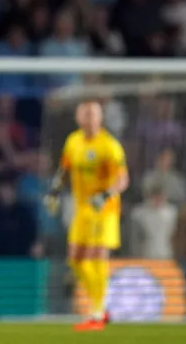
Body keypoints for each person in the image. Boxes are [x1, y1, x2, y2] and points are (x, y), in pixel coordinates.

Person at [44, 100, 129, 331]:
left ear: (100, 118)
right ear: (79, 118)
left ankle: (98, 312)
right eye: (86, 115)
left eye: (93, 115)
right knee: (75, 260)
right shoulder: (73, 141)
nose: (90, 119)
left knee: (95, 257)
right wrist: (54, 191)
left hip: (104, 210)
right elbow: (65, 169)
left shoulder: (109, 146)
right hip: (82, 209)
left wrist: (106, 194)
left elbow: (122, 179)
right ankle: (101, 308)